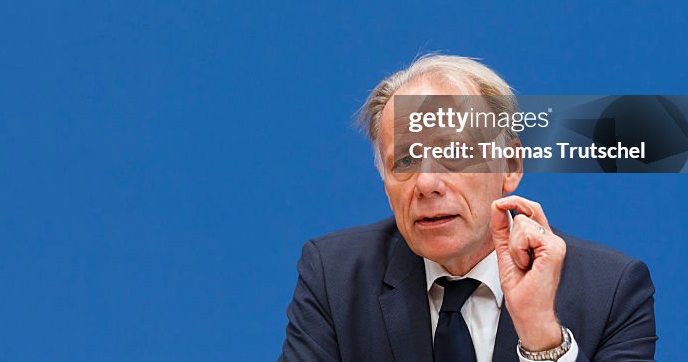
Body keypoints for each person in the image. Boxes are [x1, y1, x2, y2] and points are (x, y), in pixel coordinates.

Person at [279, 55, 656, 362]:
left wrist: (541, 335)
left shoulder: (611, 289)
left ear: (509, 166)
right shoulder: (335, 276)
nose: (426, 184)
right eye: (406, 161)